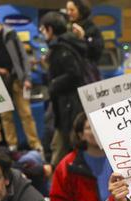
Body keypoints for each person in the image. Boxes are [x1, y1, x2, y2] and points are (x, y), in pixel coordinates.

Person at [0, 9, 40, 153]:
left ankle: (35, 144)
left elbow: (23, 56)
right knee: (5, 116)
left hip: (18, 78)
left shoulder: (10, 33)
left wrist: (27, 78)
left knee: (26, 113)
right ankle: (12, 146)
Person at [50, 112, 113, 201]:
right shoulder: (67, 165)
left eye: (98, 126)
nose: (95, 131)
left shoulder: (121, 157)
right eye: (90, 128)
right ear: (80, 134)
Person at [40, 11, 88, 164]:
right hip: (69, 105)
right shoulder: (68, 45)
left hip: (68, 106)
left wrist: (54, 83)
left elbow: (74, 74)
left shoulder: (61, 49)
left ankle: (57, 174)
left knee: (62, 148)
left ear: (50, 29)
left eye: (43, 28)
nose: (42, 32)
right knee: (59, 144)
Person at [65, 0, 103, 66]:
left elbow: (97, 52)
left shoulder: (92, 29)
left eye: (72, 10)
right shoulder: (67, 28)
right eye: (67, 10)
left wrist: (83, 38)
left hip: (86, 68)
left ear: (81, 11)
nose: (68, 13)